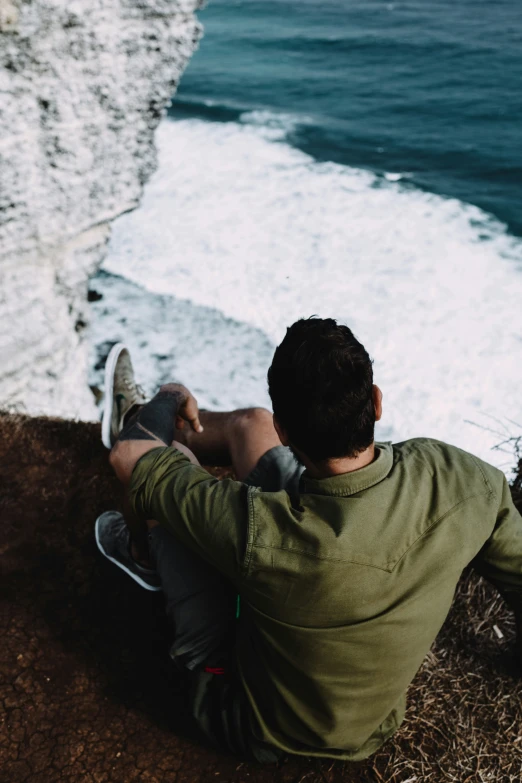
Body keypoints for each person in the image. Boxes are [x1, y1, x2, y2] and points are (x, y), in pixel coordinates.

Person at [95, 317, 522, 763]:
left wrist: (171, 395)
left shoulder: (263, 533)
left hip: (253, 720)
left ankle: (143, 550)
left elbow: (128, 459)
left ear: (286, 431)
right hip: (372, 726)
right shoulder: (462, 479)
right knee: (247, 424)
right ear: (376, 404)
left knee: (171, 463)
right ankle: (159, 431)